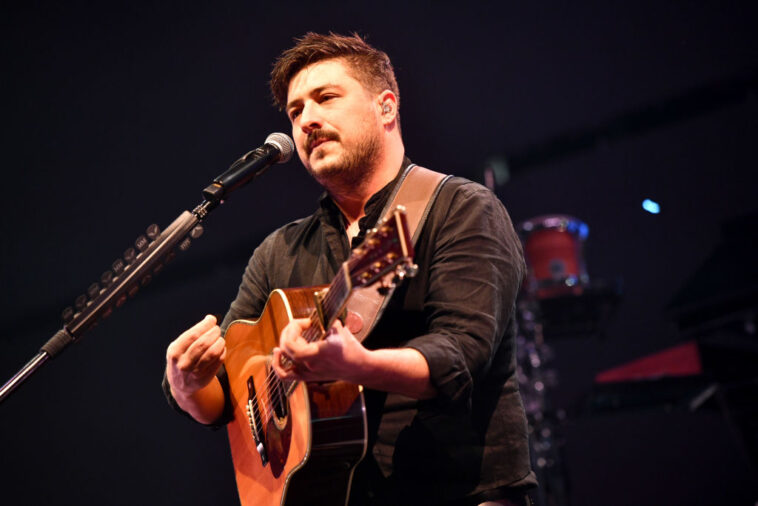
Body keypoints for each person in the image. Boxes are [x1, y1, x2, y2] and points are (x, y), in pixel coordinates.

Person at [163, 32, 537, 505]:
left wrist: (356, 365)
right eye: (296, 112)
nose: (308, 121)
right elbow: (234, 396)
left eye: (326, 98)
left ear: (386, 107)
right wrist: (189, 387)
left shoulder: (460, 209)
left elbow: (460, 354)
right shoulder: (278, 252)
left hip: (460, 490)